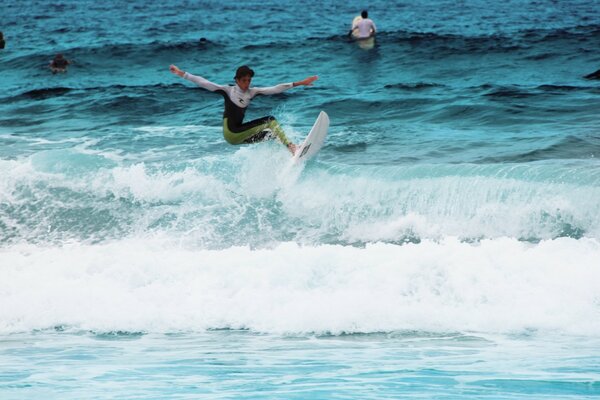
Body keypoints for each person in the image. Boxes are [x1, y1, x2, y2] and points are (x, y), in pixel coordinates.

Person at [169, 64, 317, 154]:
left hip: (237, 136)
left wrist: (300, 83)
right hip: (231, 132)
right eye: (244, 80)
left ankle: (286, 157)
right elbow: (203, 82)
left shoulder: (252, 92)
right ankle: (291, 147)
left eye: (249, 80)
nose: (247, 83)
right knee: (270, 121)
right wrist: (181, 73)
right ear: (237, 80)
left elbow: (276, 88)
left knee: (271, 135)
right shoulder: (227, 90)